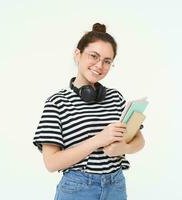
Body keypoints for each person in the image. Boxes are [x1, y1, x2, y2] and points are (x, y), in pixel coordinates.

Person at [33, 22, 145, 200]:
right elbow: (51, 163)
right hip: (77, 188)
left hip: (115, 185)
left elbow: (139, 140)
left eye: (107, 61)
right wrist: (99, 139)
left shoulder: (115, 97)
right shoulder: (57, 102)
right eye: (94, 56)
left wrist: (124, 147)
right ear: (78, 54)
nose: (100, 65)